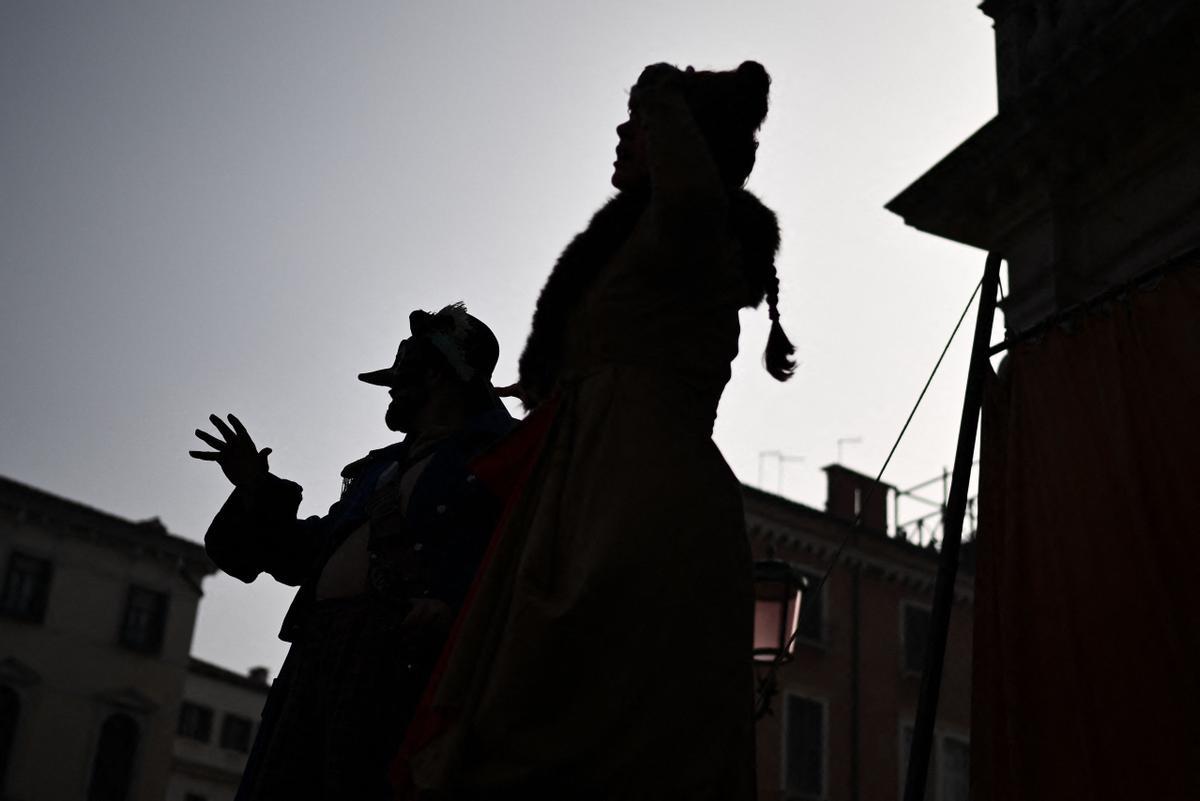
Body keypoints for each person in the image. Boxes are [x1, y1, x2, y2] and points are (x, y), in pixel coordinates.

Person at [401, 62, 793, 800]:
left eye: (639, 123)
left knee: (592, 721)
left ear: (682, 139)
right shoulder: (639, 252)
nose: (622, 131)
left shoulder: (691, 231)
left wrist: (659, 90)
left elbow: (686, 192)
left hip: (639, 500)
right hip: (577, 497)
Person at [189, 303, 515, 800]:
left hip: (403, 665)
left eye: (402, 372)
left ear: (438, 374)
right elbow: (300, 559)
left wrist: (455, 602)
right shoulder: (377, 472)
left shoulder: (506, 453)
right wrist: (258, 489)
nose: (390, 387)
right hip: (317, 659)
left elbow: (522, 554)